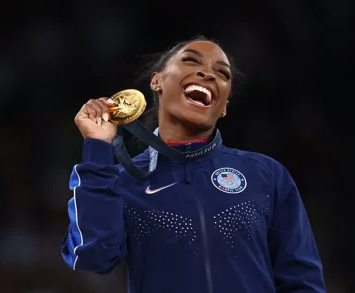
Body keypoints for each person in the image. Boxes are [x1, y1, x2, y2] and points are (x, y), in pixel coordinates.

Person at [61, 36, 326, 293]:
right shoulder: (123, 181)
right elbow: (93, 256)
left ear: (224, 106)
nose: (208, 74)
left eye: (222, 74)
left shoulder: (265, 175)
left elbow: (302, 280)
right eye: (191, 61)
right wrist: (97, 148)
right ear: (157, 80)